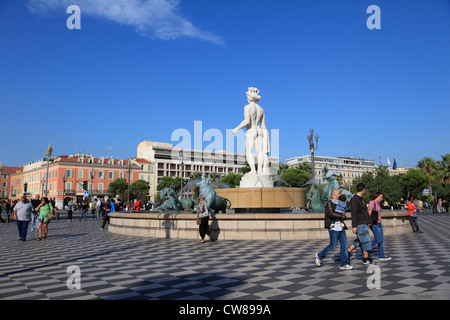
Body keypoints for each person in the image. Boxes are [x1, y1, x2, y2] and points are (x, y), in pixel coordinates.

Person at [315, 189, 353, 270]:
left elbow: (343, 214)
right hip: (333, 227)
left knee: (344, 245)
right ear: (334, 195)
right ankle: (319, 256)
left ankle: (344, 263)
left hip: (341, 226)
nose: (340, 194)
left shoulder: (341, 204)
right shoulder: (329, 203)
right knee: (333, 245)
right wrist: (340, 216)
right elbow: (330, 213)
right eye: (339, 193)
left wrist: (344, 216)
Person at [347, 183, 373, 264]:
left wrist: (369, 221)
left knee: (360, 239)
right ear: (363, 190)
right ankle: (366, 258)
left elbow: (364, 211)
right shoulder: (355, 199)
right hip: (360, 223)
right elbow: (354, 213)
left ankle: (348, 251)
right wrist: (354, 226)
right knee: (365, 240)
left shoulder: (361, 199)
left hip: (364, 223)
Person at [368, 192, 392, 261]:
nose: (382, 198)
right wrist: (369, 222)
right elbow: (369, 212)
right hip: (374, 224)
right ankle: (365, 247)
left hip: (379, 223)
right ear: (377, 196)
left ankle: (381, 255)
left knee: (381, 240)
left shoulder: (378, 204)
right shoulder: (372, 202)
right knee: (377, 240)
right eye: (381, 197)